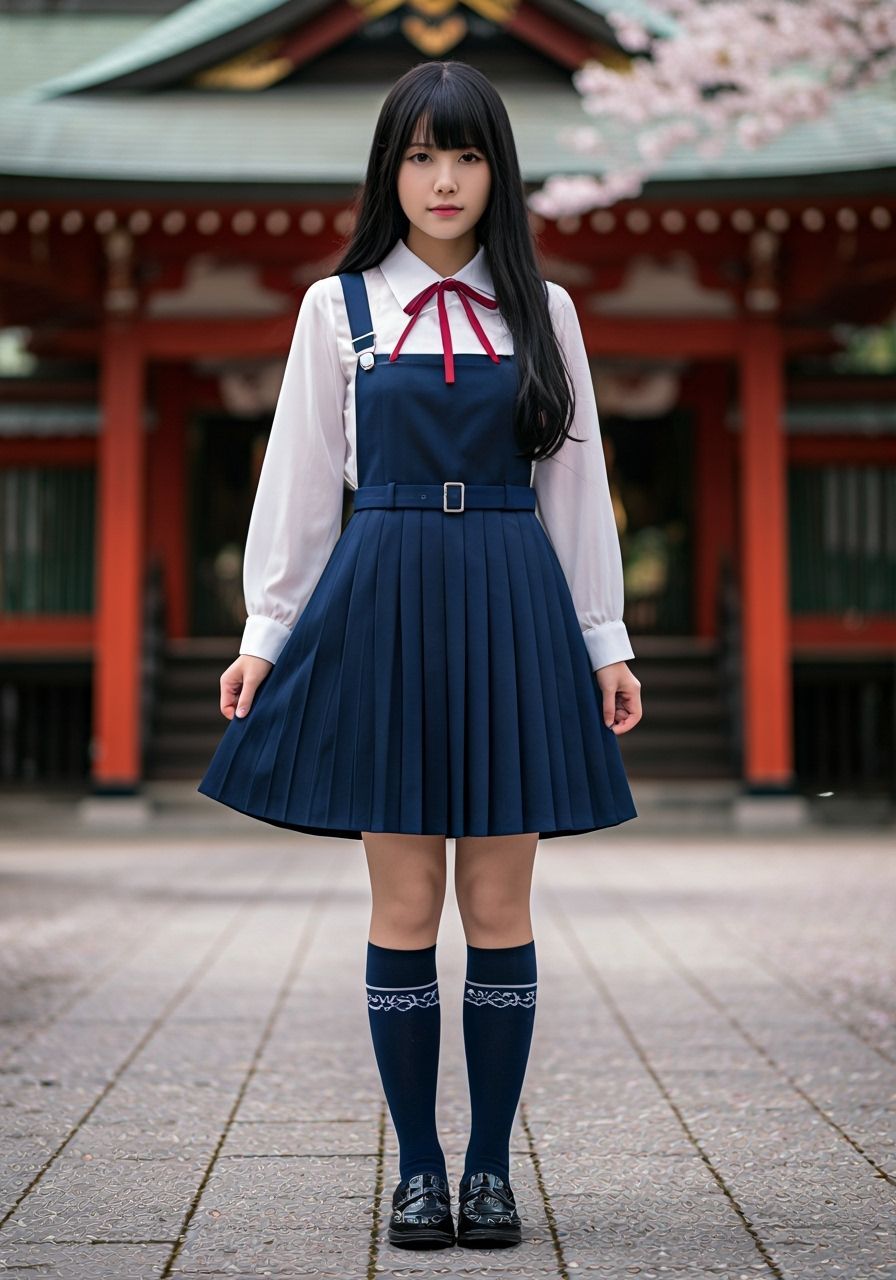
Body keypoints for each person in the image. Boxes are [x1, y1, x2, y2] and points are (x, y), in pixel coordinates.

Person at [197, 60, 642, 1251]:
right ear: (386, 171)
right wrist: (264, 634)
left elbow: (575, 486)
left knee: (497, 900)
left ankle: (490, 1169)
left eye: (464, 155)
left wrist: (603, 639)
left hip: (511, 595)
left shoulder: (542, 312)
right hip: (381, 591)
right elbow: (295, 487)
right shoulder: (333, 309)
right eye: (417, 155)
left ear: (496, 171)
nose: (441, 181)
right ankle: (418, 1166)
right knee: (402, 898)